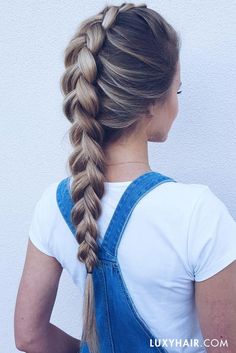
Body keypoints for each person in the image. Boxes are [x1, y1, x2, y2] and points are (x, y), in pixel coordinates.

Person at [14, 2, 236, 353]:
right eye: (176, 91)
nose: (177, 105)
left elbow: (29, 336)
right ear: (151, 102)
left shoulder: (53, 206)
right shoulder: (198, 213)